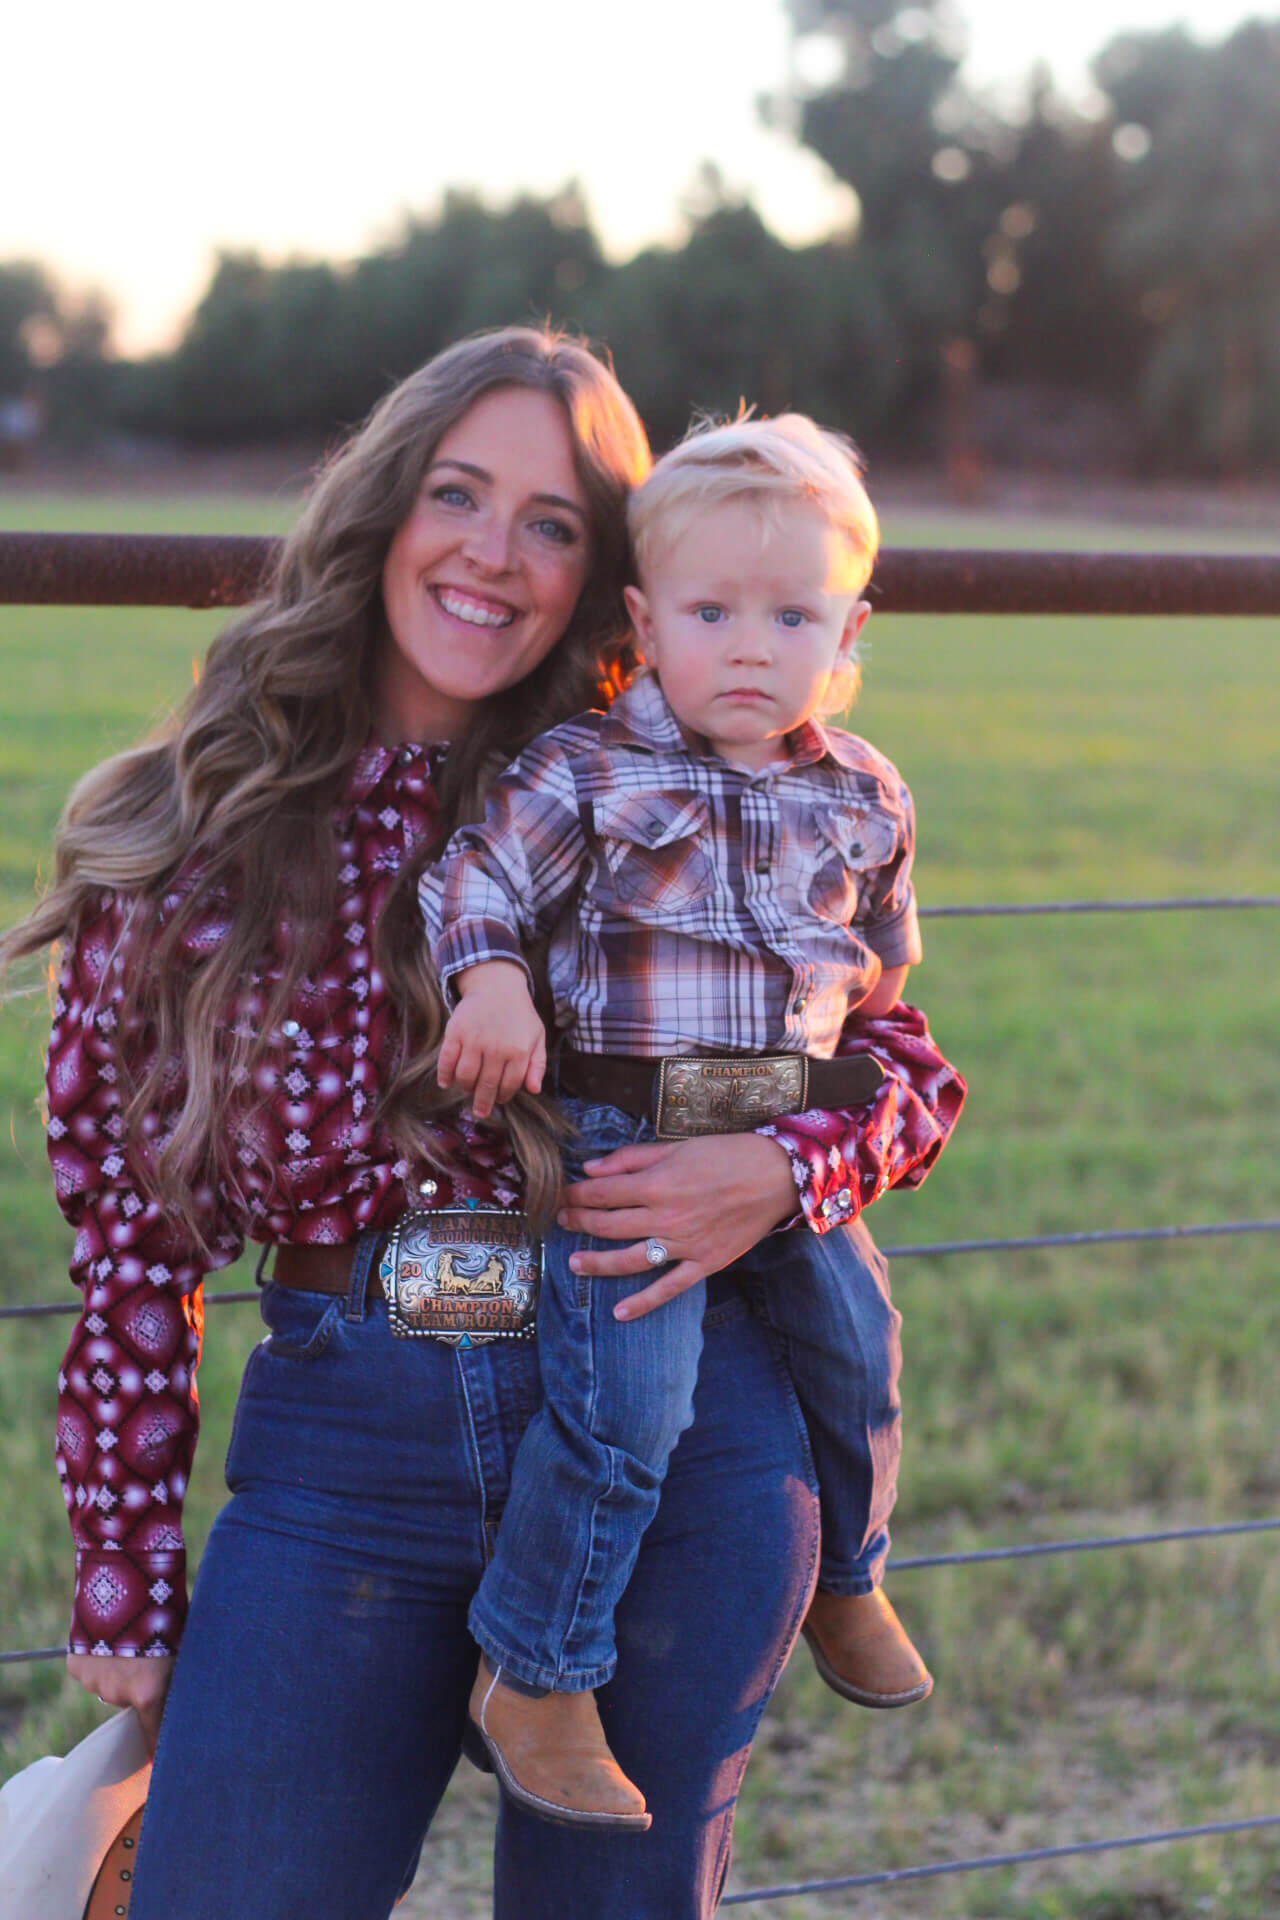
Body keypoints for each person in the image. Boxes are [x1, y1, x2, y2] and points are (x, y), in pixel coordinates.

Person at [4, 327, 964, 1919]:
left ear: (608, 576)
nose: (494, 557)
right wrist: (122, 1559)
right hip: (350, 1449)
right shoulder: (188, 826)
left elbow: (901, 1069)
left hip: (674, 1412)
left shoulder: (653, 780)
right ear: (384, 507)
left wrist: (770, 1173)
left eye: (553, 523)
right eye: (460, 494)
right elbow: (129, 1243)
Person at [422, 413, 950, 1828]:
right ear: (648, 622)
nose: (751, 647)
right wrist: (493, 987)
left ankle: (850, 1575)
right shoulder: (585, 771)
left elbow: (887, 963)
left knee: (859, 1349)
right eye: (711, 612)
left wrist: (836, 1067)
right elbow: (471, 883)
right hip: (631, 1135)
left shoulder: (863, 790)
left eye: (793, 616)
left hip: (784, 1136)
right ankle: (536, 1668)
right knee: (627, 1411)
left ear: (848, 635)